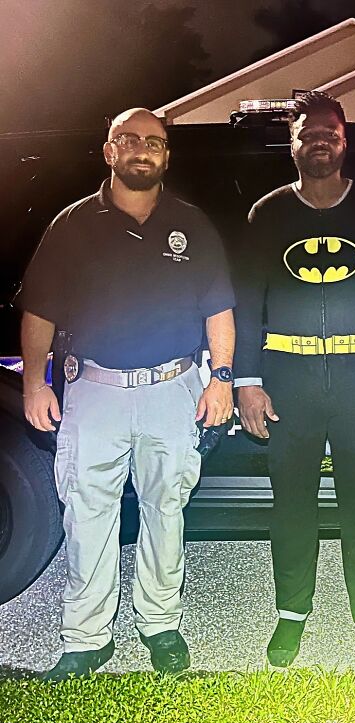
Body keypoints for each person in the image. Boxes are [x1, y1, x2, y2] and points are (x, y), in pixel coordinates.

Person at [19, 108, 236, 681]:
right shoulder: (72, 225)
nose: (143, 149)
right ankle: (87, 638)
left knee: (167, 511)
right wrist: (35, 382)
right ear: (110, 150)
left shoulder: (192, 225)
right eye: (130, 140)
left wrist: (221, 378)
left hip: (172, 388)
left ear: (167, 155)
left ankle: (160, 624)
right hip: (95, 390)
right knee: (88, 515)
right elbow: (38, 310)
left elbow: (219, 308)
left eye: (156, 142)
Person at [234, 91, 355, 674]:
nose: (319, 140)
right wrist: (247, 379)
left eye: (330, 133)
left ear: (345, 142)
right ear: (293, 145)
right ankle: (291, 613)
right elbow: (247, 303)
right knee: (292, 504)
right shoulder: (267, 214)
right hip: (287, 377)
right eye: (308, 133)